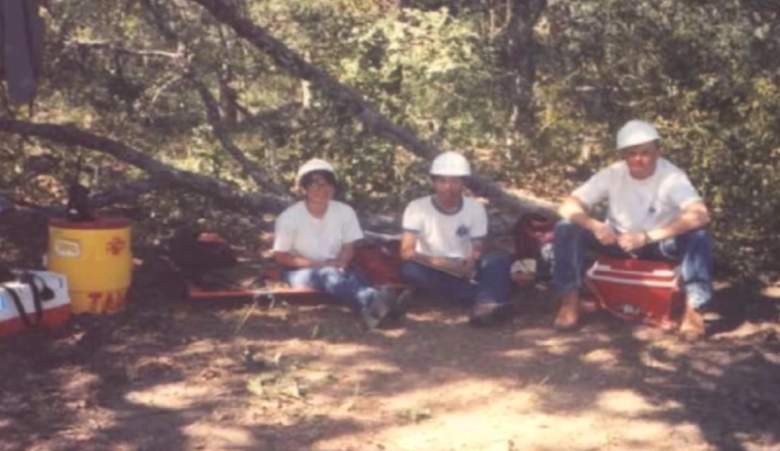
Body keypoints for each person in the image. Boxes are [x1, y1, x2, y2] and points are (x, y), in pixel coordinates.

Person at [552, 119, 713, 338]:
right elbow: (567, 205)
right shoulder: (612, 173)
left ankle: (695, 309)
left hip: (658, 243)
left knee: (698, 236)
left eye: (645, 152)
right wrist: (595, 225)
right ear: (623, 155)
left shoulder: (672, 176)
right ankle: (570, 300)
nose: (638, 159)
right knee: (566, 227)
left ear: (658, 151)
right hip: (617, 240)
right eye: (631, 153)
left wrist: (647, 237)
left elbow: (700, 214)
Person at [272, 158, 399, 329]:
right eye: (315, 185)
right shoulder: (289, 217)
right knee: (328, 275)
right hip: (300, 270)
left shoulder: (345, 211)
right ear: (304, 189)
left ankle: (373, 311)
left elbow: (348, 247)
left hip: (339, 266)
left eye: (327, 184)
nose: (322, 190)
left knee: (354, 277)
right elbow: (281, 257)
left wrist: (342, 262)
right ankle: (377, 301)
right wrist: (322, 265)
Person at [399, 151, 513, 326]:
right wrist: (444, 263)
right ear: (434, 182)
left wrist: (471, 260)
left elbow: (477, 246)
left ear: (463, 183)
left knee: (497, 261)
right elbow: (407, 252)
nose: (448, 187)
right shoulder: (417, 207)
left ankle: (483, 306)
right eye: (442, 181)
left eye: (454, 181)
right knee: (410, 270)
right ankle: (487, 300)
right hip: (431, 265)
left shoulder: (475, 208)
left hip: (465, 267)